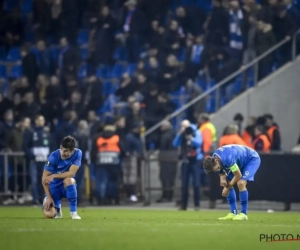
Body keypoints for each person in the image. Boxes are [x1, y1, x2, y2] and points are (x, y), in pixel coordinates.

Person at [203, 144, 261, 220]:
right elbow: (221, 173)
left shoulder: (227, 158)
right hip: (240, 161)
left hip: (251, 159)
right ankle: (233, 213)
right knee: (227, 182)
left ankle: (244, 214)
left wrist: (227, 188)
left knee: (241, 183)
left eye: (217, 168)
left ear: (216, 161)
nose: (217, 170)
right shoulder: (215, 157)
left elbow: (238, 175)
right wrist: (223, 180)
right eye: (215, 170)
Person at [42, 136, 82, 219]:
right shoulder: (53, 157)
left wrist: (54, 175)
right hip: (53, 187)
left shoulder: (78, 153)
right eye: (61, 149)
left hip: (65, 186)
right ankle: (57, 209)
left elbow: (71, 173)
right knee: (49, 215)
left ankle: (73, 213)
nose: (62, 153)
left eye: (66, 151)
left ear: (72, 150)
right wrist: (49, 197)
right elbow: (44, 178)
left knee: (70, 180)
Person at [173, 120, 203, 210]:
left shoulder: (196, 132)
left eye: (185, 126)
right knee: (184, 183)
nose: (184, 128)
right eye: (182, 126)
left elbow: (199, 143)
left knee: (196, 183)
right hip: (185, 160)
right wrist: (179, 134)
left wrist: (191, 138)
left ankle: (197, 204)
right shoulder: (182, 134)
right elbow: (175, 144)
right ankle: (183, 205)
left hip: (195, 160)